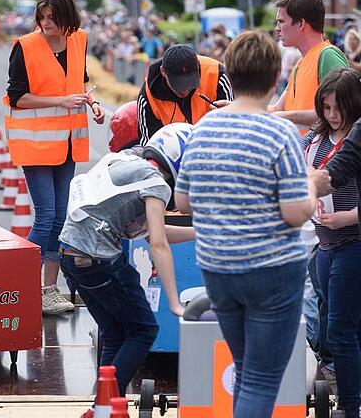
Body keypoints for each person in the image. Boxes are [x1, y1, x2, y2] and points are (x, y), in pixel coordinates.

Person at [174, 31, 317, 418]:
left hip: (219, 268)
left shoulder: (204, 128)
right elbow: (295, 212)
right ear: (275, 80)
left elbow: (182, 201)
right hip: (272, 270)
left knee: (246, 373)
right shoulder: (280, 132)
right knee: (259, 380)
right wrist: (312, 186)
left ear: (230, 77)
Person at [61, 124, 193, 411]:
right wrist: (174, 302)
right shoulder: (156, 183)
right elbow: (158, 244)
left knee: (116, 332)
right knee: (144, 330)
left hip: (71, 256)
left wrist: (201, 232)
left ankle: (102, 407)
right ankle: (105, 407)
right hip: (98, 259)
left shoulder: (123, 161)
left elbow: (153, 233)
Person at [3, 0, 105, 316]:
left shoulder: (79, 40)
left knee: (61, 219)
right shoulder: (25, 47)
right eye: (42, 18)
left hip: (67, 143)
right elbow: (17, 96)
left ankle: (49, 289)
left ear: (67, 19)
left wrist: (93, 102)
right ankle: (23, 286)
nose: (46, 24)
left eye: (53, 18)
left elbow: (80, 80)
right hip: (34, 145)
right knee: (45, 216)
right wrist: (60, 101)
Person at [303, 68, 361, 418]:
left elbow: (336, 171)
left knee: (340, 329)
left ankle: (350, 405)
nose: (333, 114)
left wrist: (349, 216)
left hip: (351, 243)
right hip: (323, 245)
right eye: (325, 107)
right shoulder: (316, 138)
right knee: (334, 329)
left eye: (338, 107)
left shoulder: (356, 137)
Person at [269, 0, 349, 129]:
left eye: (281, 21)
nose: (277, 28)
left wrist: (287, 117)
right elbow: (277, 110)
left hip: (325, 151)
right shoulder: (301, 62)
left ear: (300, 23)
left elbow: (342, 113)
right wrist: (238, 109)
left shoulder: (327, 55)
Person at [136, 44, 233, 146]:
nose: (184, 89)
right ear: (163, 71)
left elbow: (233, 129)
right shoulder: (148, 95)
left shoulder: (217, 75)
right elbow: (149, 146)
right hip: (170, 153)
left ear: (198, 68)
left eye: (190, 82)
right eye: (178, 83)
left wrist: (225, 119)